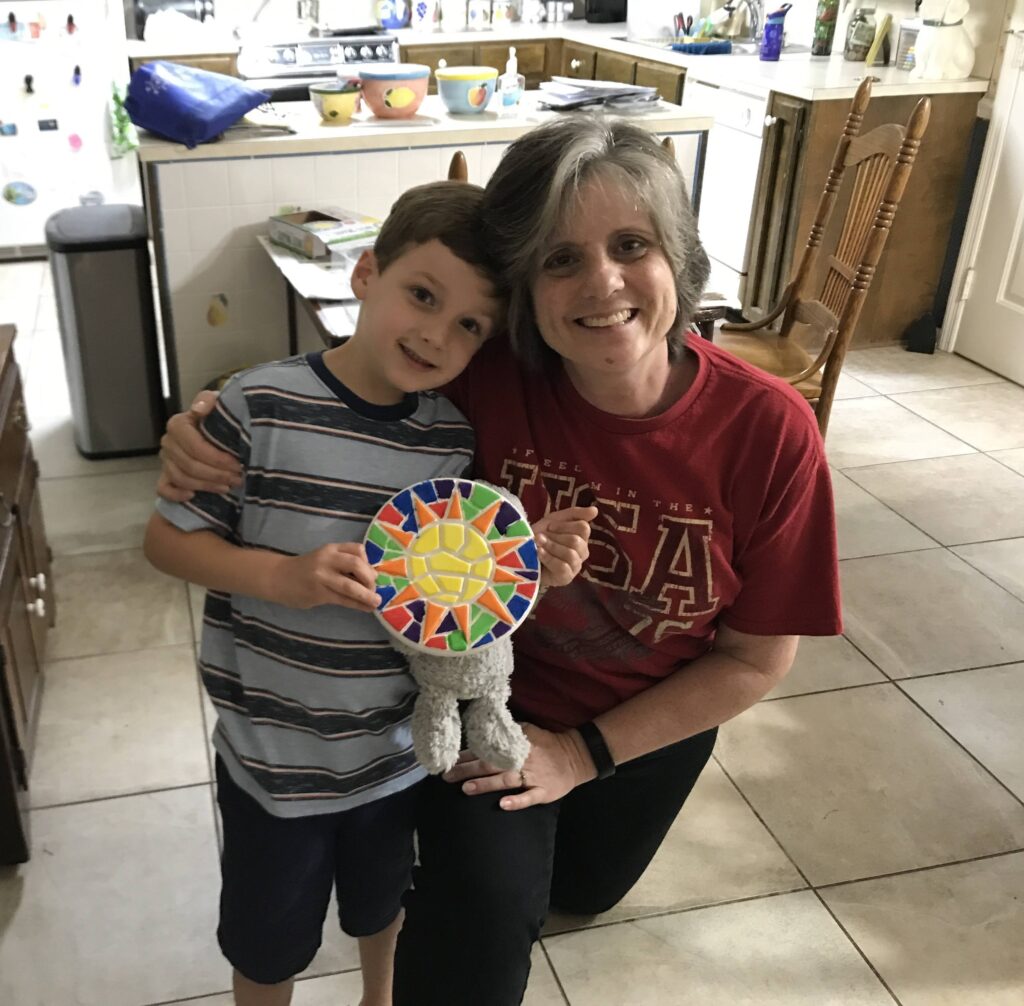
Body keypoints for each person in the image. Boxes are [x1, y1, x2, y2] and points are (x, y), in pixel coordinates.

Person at [157, 117, 842, 1006]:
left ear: (678, 255)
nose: (602, 282)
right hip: (483, 704)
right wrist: (211, 421)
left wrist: (583, 756)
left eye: (632, 244)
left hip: (646, 723)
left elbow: (755, 659)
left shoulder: (768, 430)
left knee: (582, 895)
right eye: (561, 260)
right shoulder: (484, 374)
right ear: (527, 291)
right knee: (474, 927)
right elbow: (345, 384)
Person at [144, 179, 596, 1006]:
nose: (435, 333)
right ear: (365, 273)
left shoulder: (451, 441)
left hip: (393, 757)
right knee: (267, 940)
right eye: (421, 295)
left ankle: (376, 998)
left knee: (380, 908)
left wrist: (534, 560)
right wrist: (279, 577)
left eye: (468, 326)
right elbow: (166, 540)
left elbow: (462, 587)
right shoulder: (261, 402)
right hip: (271, 759)